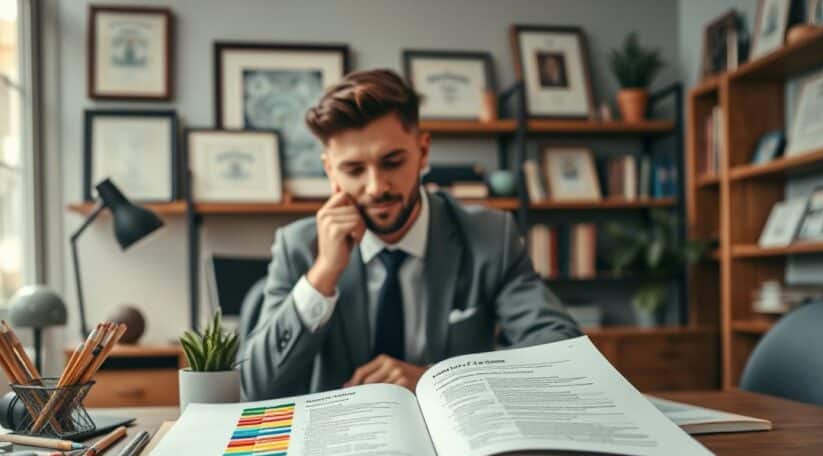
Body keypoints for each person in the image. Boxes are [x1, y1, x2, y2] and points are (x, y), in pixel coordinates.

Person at [241, 69, 580, 399]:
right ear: (330, 170)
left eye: (392, 162)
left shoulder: (491, 237)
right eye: (354, 169)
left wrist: (436, 380)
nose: (377, 188)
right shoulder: (298, 246)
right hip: (336, 446)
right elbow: (254, 387)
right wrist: (323, 274)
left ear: (423, 151)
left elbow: (562, 352)